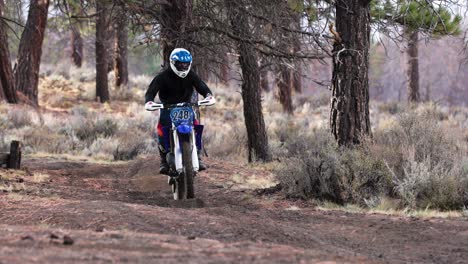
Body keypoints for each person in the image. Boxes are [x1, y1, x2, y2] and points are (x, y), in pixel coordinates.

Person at [145, 48, 214, 174]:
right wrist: (149, 101)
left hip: (186, 107)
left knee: (196, 126)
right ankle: (164, 161)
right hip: (167, 108)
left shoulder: (191, 75)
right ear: (173, 63)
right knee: (161, 129)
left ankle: (198, 157)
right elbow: (150, 91)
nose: (183, 66)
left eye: (186, 64)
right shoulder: (162, 77)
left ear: (190, 63)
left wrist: (208, 95)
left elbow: (202, 86)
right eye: (180, 64)